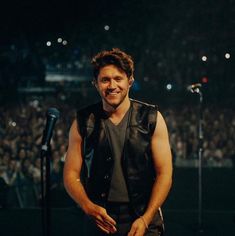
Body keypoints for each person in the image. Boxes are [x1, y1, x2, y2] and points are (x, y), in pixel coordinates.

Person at [63, 48, 173, 236]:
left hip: (143, 216)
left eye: (118, 78)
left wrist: (146, 219)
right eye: (105, 80)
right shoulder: (83, 121)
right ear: (95, 84)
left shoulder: (152, 117)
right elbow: (71, 174)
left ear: (130, 81)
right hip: (100, 217)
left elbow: (165, 174)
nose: (112, 85)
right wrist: (88, 207)